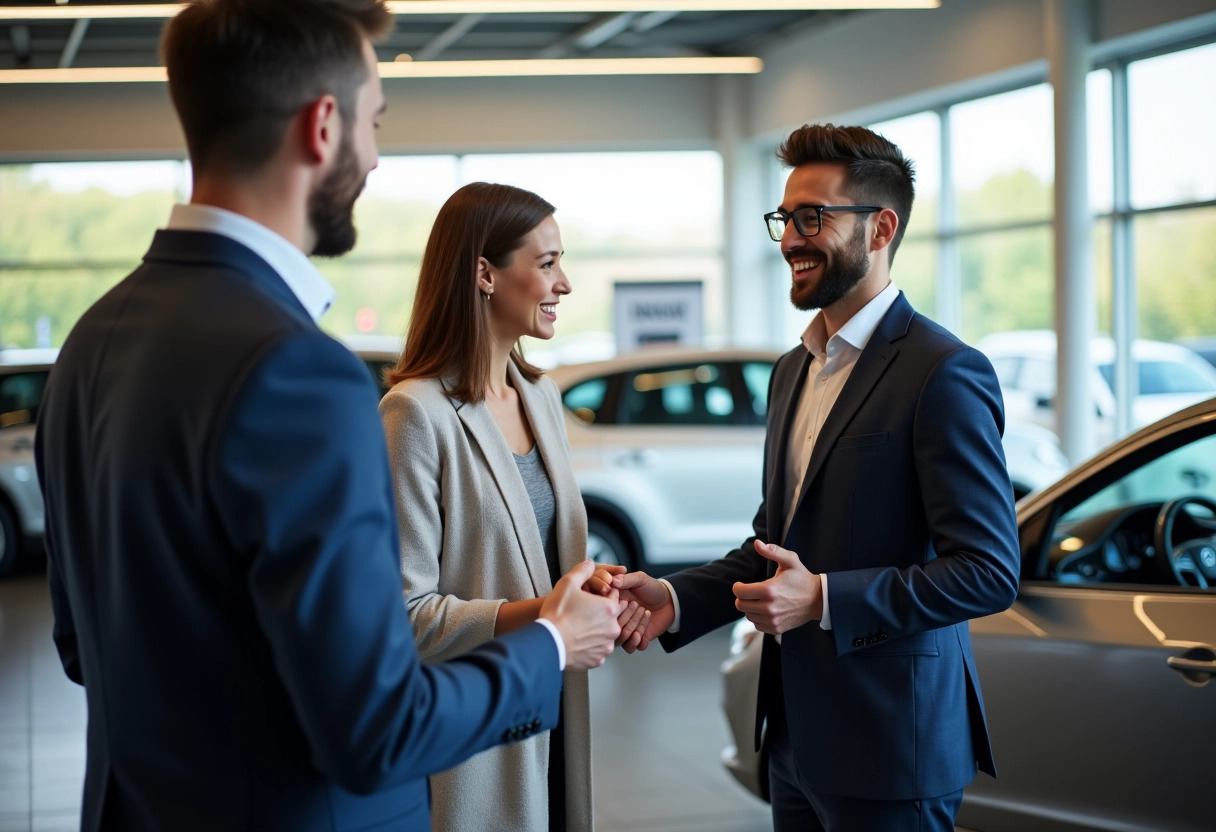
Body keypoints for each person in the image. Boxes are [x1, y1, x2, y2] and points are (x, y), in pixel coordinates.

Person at [33, 3, 623, 831]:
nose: (375, 156)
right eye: (373, 122)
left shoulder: (92, 339)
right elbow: (377, 730)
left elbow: (81, 648)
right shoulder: (298, 371)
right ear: (322, 127)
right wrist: (552, 643)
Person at [607, 123, 1020, 832]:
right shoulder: (793, 370)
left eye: (812, 218)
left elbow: (986, 571)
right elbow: (777, 541)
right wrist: (677, 597)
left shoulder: (943, 373)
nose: (790, 239)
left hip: (893, 743)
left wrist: (824, 598)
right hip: (795, 737)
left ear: (881, 227)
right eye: (785, 219)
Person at [379, 182, 647, 832]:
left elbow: (540, 557)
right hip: (476, 741)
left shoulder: (541, 397)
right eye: (547, 262)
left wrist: (592, 586)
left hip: (554, 714)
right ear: (484, 274)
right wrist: (550, 618)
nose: (564, 284)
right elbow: (406, 619)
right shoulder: (416, 414)